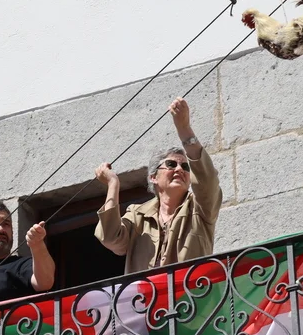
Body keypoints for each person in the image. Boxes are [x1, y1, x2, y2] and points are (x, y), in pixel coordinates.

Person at [94, 97, 222, 274]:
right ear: (153, 177)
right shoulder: (137, 215)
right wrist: (113, 184)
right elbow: (110, 238)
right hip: (146, 293)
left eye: (185, 167)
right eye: (171, 164)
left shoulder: (200, 209)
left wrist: (184, 129)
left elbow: (208, 181)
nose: (179, 169)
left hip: (193, 291)